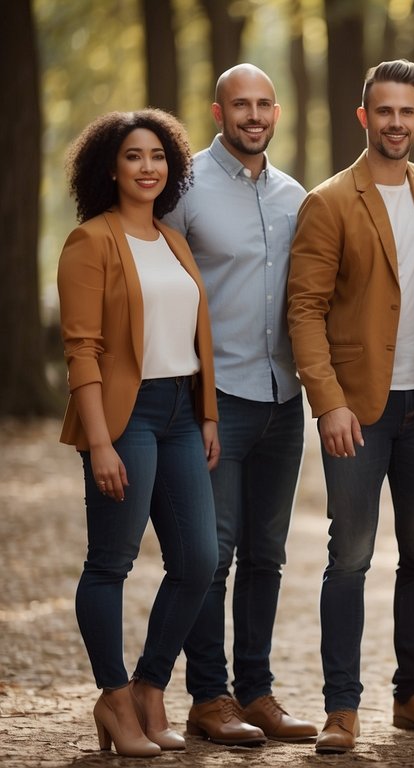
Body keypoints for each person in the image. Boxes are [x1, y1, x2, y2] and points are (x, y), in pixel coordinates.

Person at [287, 59, 414, 754]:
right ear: (365, 117)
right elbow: (304, 311)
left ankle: (413, 693)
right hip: (358, 410)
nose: (395, 123)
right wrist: (327, 402)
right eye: (382, 111)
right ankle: (341, 708)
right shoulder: (328, 202)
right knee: (350, 557)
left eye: (406, 112)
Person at [162, 63, 316, 747]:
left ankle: (257, 690)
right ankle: (209, 696)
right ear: (218, 112)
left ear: (275, 113)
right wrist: (187, 400)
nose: (253, 116)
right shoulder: (184, 190)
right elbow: (159, 294)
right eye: (240, 105)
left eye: (263, 104)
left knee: (267, 553)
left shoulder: (295, 196)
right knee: (212, 554)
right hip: (216, 398)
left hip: (285, 400)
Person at [58, 109, 219, 758]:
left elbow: (195, 336)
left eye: (157, 155)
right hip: (125, 419)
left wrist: (206, 413)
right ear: (110, 167)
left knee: (199, 561)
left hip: (180, 412)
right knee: (111, 564)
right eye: (133, 155)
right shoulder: (89, 242)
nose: (147, 166)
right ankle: (113, 697)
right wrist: (99, 442)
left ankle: (151, 685)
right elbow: (82, 351)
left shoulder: (172, 240)